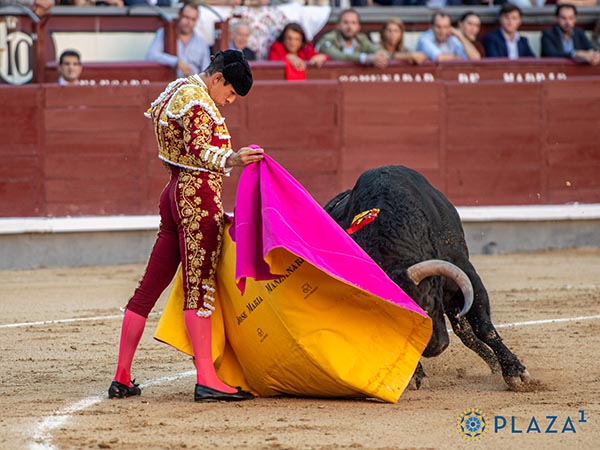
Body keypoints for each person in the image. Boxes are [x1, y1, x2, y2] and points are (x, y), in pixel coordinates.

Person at [108, 50, 264, 403]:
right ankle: (207, 379)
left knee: (148, 289)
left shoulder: (177, 90)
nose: (229, 101)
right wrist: (231, 158)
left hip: (173, 193)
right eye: (231, 93)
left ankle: (122, 375)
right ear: (218, 79)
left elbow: (177, 146)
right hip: (197, 197)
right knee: (200, 288)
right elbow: (197, 148)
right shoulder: (199, 103)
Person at [146, 1, 211, 78]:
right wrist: (176, 62)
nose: (189, 22)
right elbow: (151, 55)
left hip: (192, 87)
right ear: (179, 15)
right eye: (186, 17)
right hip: (167, 85)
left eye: (193, 19)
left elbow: (206, 71)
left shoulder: (202, 44)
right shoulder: (164, 33)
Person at [315, 8, 389, 69]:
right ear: (338, 25)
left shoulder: (361, 39)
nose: (349, 27)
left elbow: (379, 51)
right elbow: (338, 56)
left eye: (353, 23)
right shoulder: (328, 38)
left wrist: (382, 56)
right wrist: (367, 58)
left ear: (358, 27)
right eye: (346, 22)